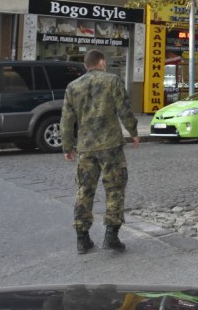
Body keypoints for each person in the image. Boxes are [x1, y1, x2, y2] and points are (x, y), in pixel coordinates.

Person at [60, 49, 140, 254]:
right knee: (114, 190)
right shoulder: (112, 81)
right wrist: (133, 131)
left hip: (86, 147)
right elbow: (125, 108)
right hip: (111, 145)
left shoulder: (72, 87)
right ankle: (111, 236)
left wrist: (67, 146)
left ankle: (82, 238)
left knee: (84, 191)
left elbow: (67, 120)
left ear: (87, 65)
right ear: (102, 62)